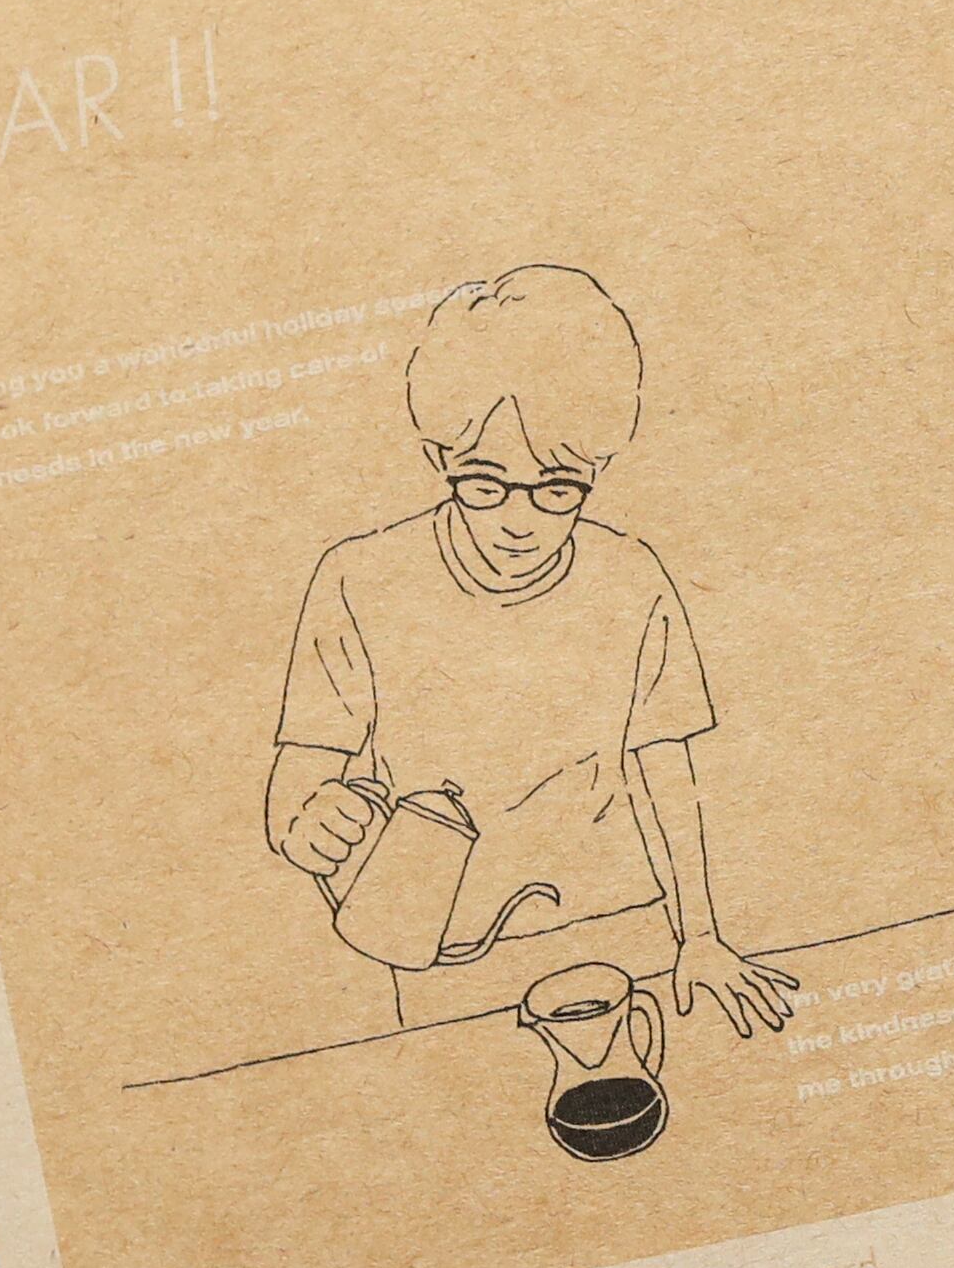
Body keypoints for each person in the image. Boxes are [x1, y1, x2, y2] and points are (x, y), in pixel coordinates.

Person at [269, 266, 796, 1041]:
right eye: (485, 486)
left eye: (557, 490)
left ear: (598, 469)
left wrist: (700, 936)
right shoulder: (359, 577)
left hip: (626, 926)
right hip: (436, 947)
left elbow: (663, 768)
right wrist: (303, 822)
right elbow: (300, 772)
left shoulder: (631, 576)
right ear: (437, 459)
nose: (520, 521)